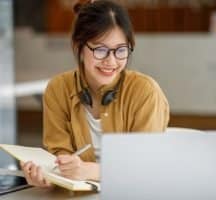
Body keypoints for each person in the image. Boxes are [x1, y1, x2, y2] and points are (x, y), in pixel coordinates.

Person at [20, 0, 169, 187]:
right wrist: (49, 175)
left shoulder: (145, 91)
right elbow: (59, 153)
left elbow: (146, 165)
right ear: (78, 46)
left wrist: (92, 170)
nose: (111, 61)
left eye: (121, 50)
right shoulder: (58, 89)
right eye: (101, 50)